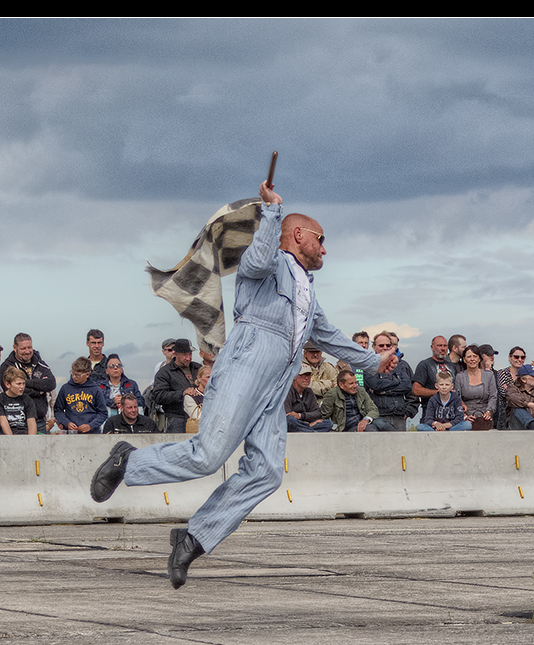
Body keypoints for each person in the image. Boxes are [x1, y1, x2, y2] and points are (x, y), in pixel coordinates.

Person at [90, 179, 397, 590]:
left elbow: (327, 333)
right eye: (321, 239)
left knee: (267, 472)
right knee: (208, 455)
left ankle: (194, 537)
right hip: (245, 368)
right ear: (299, 235)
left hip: (274, 388)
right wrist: (271, 212)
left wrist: (373, 361)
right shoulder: (268, 263)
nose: (325, 248)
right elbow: (254, 262)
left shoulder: (307, 287)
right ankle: (128, 460)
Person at [0, 332, 56, 434]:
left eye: (29, 347)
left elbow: (51, 383)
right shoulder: (7, 366)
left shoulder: (40, 363)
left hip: (39, 421)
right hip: (14, 422)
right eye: (23, 348)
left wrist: (27, 382)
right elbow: (10, 390)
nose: (27, 351)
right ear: (14, 347)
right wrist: (39, 392)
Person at [363, 330, 415, 431]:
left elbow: (407, 385)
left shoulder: (400, 365)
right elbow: (375, 384)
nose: (385, 348)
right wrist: (396, 382)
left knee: (401, 446)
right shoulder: (368, 366)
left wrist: (383, 390)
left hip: (399, 417)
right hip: (378, 417)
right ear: (374, 347)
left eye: (388, 345)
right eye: (381, 345)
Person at [152, 338, 201, 433]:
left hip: (199, 417)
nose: (188, 358)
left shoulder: (198, 368)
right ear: (175, 354)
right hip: (176, 420)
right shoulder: (164, 372)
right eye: (184, 355)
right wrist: (182, 393)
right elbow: (158, 396)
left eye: (190, 354)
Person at [321, 369, 393, 432]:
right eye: (351, 383)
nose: (355, 386)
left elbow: (373, 409)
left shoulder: (361, 391)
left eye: (356, 382)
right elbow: (324, 416)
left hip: (363, 421)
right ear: (341, 385)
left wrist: (366, 419)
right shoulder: (331, 395)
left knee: (382, 424)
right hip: (346, 428)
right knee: (371, 429)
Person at [54, 357, 108, 434]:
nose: (74, 377)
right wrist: (67, 423)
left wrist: (90, 425)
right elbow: (58, 411)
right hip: (71, 434)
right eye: (72, 373)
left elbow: (103, 413)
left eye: (78, 375)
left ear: (87, 374)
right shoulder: (65, 388)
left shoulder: (95, 389)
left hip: (92, 434)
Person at [455, 344, 497, 430]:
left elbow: (493, 395)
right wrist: (464, 416)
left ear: (479, 359)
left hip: (486, 415)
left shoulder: (489, 375)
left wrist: (489, 412)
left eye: (475, 356)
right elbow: (457, 398)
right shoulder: (459, 377)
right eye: (469, 357)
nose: (472, 359)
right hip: (467, 416)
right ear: (464, 360)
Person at [412, 336, 457, 415]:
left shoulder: (452, 366)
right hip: (431, 412)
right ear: (432, 347)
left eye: (445, 346)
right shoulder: (425, 365)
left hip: (451, 413)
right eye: (439, 346)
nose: (443, 348)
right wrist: (439, 392)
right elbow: (416, 390)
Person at [285, 364, 333, 432]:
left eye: (308, 375)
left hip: (304, 423)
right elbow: (288, 415)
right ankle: (310, 431)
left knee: (328, 423)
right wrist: (309, 425)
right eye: (303, 375)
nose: (307, 378)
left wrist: (301, 416)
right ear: (294, 376)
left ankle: (307, 430)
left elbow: (317, 413)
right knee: (289, 420)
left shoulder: (309, 392)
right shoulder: (287, 391)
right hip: (292, 425)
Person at [0, 367, 37, 435]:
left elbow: (31, 422)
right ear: (7, 384)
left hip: (24, 435)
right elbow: (3, 422)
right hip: (6, 437)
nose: (22, 387)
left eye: (23, 383)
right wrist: (12, 441)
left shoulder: (27, 399)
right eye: (18, 384)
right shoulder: (1, 399)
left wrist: (31, 441)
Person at [503, 364, 534, 430]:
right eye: (533, 376)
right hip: (517, 426)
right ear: (523, 379)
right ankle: (532, 424)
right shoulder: (512, 388)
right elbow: (513, 398)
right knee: (517, 408)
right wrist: (529, 404)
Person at [183, 366, 211, 433]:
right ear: (199, 378)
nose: (211, 380)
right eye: (208, 377)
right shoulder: (190, 397)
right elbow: (197, 417)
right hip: (197, 433)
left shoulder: (217, 395)